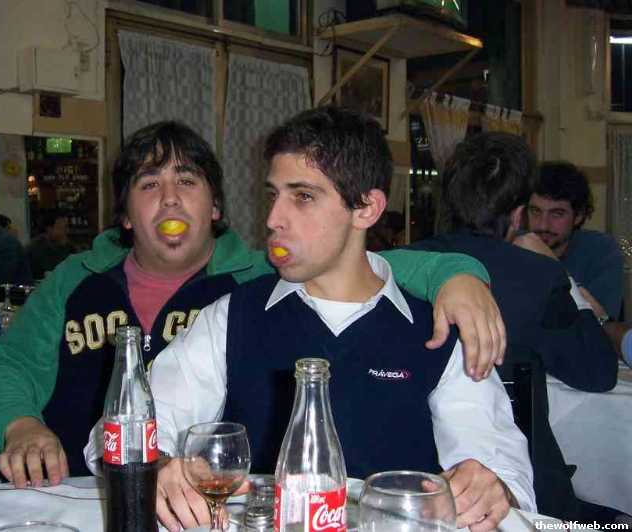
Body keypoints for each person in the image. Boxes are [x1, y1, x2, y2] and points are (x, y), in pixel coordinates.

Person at [0, 120, 505, 490]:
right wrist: (22, 424)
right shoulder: (78, 281)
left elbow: (360, 269)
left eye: (186, 181)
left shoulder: (252, 276)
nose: (170, 198)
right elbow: (11, 369)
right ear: (124, 212)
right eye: (149, 184)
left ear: (216, 207)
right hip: (73, 495)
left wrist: (459, 274)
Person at [85, 109, 533, 532]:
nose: (273, 219)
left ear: (366, 209)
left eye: (303, 197)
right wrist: (161, 466)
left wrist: (492, 486)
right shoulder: (233, 316)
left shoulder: (437, 333)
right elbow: (121, 429)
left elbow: (504, 471)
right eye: (273, 195)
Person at [408, 132, 617, 520]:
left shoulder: (404, 263)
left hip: (414, 468)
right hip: (516, 488)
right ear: (519, 214)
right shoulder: (538, 275)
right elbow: (598, 373)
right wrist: (561, 274)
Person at [526, 162, 625, 319]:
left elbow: (601, 322)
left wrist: (546, 258)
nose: (543, 225)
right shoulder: (513, 244)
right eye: (535, 211)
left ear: (578, 216)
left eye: (557, 214)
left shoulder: (601, 251)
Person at [25, 209, 75, 280]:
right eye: (63, 228)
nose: (67, 231)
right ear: (49, 229)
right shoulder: (34, 249)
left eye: (68, 227)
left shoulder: (69, 248)